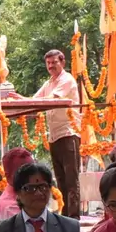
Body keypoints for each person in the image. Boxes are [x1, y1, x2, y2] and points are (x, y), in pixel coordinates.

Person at [33, 49, 82, 217]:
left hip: (68, 134)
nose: (51, 66)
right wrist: (16, 99)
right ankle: (64, 216)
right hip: (54, 136)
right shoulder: (49, 83)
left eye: (54, 62)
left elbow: (51, 99)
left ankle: (73, 218)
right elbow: (35, 100)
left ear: (62, 62)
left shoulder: (67, 80)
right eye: (48, 63)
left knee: (71, 181)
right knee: (60, 180)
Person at [0, 148, 34, 221]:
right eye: (25, 171)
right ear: (8, 176)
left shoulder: (30, 194)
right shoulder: (10, 207)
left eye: (33, 169)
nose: (32, 174)